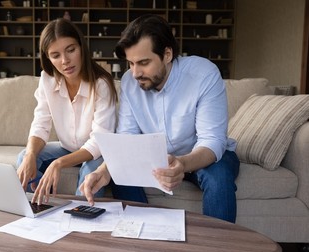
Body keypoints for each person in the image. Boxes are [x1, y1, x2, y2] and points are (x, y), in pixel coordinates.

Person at [79, 14, 240, 223]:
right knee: (120, 177)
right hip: (156, 158)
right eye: (130, 63)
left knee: (218, 179)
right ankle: (145, 235)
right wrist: (103, 171)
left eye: (144, 62)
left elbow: (212, 141)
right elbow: (127, 138)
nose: (135, 73)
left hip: (202, 155)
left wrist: (181, 163)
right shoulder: (130, 81)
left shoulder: (203, 74)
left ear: (167, 54)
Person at [17, 18, 117, 205]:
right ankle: (41, 205)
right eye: (55, 55)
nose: (65, 61)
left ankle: (79, 219)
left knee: (90, 172)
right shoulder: (47, 79)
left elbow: (99, 141)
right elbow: (40, 124)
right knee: (24, 156)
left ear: (81, 47)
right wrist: (31, 154)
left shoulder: (101, 84)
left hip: (96, 153)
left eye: (71, 50)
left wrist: (59, 163)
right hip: (66, 148)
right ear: (48, 58)